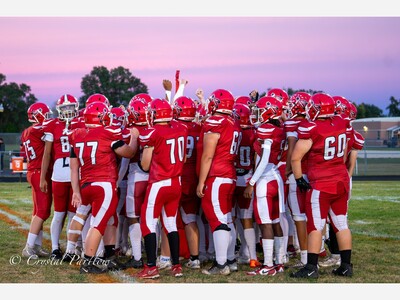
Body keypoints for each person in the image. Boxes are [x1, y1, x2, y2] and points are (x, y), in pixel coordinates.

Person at [69, 101, 138, 274]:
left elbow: (73, 167)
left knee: (110, 220)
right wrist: (135, 138)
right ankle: (89, 261)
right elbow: (128, 152)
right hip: (103, 184)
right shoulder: (107, 132)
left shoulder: (76, 134)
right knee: (98, 224)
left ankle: (109, 256)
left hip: (86, 184)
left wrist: (76, 191)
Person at [290, 93, 353, 279]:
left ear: (317, 109)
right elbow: (343, 155)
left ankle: (311, 267)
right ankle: (346, 266)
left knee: (315, 226)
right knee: (341, 224)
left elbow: (295, 157)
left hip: (321, 184)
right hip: (341, 180)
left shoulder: (312, 127)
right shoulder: (341, 122)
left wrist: (300, 178)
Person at [136, 98, 188, 279]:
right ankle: (176, 265)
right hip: (176, 182)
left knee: (148, 223)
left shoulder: (153, 132)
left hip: (159, 183)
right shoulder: (181, 128)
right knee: (171, 223)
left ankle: (151, 267)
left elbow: (145, 164)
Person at [196, 89, 242, 276]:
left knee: (217, 219)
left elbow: (208, 156)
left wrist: (201, 181)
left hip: (217, 175)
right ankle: (230, 260)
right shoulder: (233, 122)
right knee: (226, 218)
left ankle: (221, 264)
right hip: (229, 174)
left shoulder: (216, 122)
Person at [243, 96, 286, 276]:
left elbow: (264, 159)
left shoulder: (266, 129)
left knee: (265, 223)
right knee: (275, 221)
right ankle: (279, 261)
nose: (256, 114)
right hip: (276, 176)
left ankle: (268, 265)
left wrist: (251, 183)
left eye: (259, 111)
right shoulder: (278, 128)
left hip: (265, 178)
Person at [40, 94, 79, 259]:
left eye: (70, 107)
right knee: (59, 213)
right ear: (59, 110)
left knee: (73, 214)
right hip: (59, 174)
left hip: (76, 173)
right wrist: (43, 177)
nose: (68, 111)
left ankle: (71, 248)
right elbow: (47, 154)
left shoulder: (81, 122)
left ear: (76, 107)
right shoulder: (52, 125)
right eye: (65, 108)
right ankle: (55, 248)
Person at [173, 96, 202, 269]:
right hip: (195, 176)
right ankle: (195, 257)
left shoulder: (174, 128)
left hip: (177, 175)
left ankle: (166, 257)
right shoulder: (200, 128)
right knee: (191, 218)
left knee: (169, 220)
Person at [21, 102, 53, 258]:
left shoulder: (27, 131)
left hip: (33, 170)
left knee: (38, 210)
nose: (48, 118)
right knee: (42, 211)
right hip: (39, 172)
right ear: (38, 115)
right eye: (46, 115)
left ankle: (37, 246)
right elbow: (51, 129)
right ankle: (28, 247)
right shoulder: (37, 129)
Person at [284, 91, 312, 268]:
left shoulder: (292, 123)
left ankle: (305, 257)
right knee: (314, 216)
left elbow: (292, 148)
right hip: (313, 172)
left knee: (299, 216)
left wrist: (288, 170)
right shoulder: (313, 123)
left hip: (298, 172)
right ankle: (316, 253)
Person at [231, 101, 260, 268]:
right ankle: (251, 256)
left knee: (231, 218)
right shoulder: (254, 133)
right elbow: (257, 160)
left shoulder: (231, 131)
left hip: (233, 177)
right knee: (247, 218)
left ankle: (230, 255)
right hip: (248, 177)